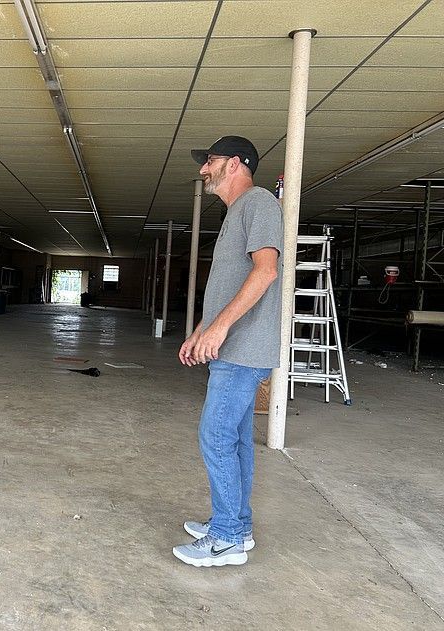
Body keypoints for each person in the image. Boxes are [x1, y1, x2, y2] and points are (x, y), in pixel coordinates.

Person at [172, 136, 283, 567]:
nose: (203, 169)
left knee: (215, 436)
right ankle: (236, 524)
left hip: (242, 348)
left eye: (210, 161)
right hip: (231, 345)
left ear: (236, 164)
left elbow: (266, 272)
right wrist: (200, 331)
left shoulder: (257, 203)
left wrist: (218, 329)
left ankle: (226, 539)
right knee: (234, 439)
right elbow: (227, 289)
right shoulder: (239, 212)